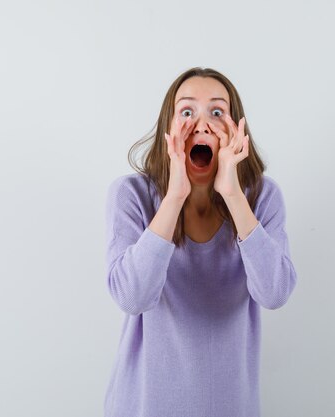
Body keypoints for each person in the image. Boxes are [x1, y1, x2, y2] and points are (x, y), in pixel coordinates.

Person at [103, 67, 298, 417]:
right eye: (187, 112)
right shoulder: (130, 196)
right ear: (169, 127)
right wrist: (175, 195)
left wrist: (233, 194)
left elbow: (274, 293)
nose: (202, 124)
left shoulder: (262, 198)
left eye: (218, 112)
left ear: (238, 130)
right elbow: (132, 296)